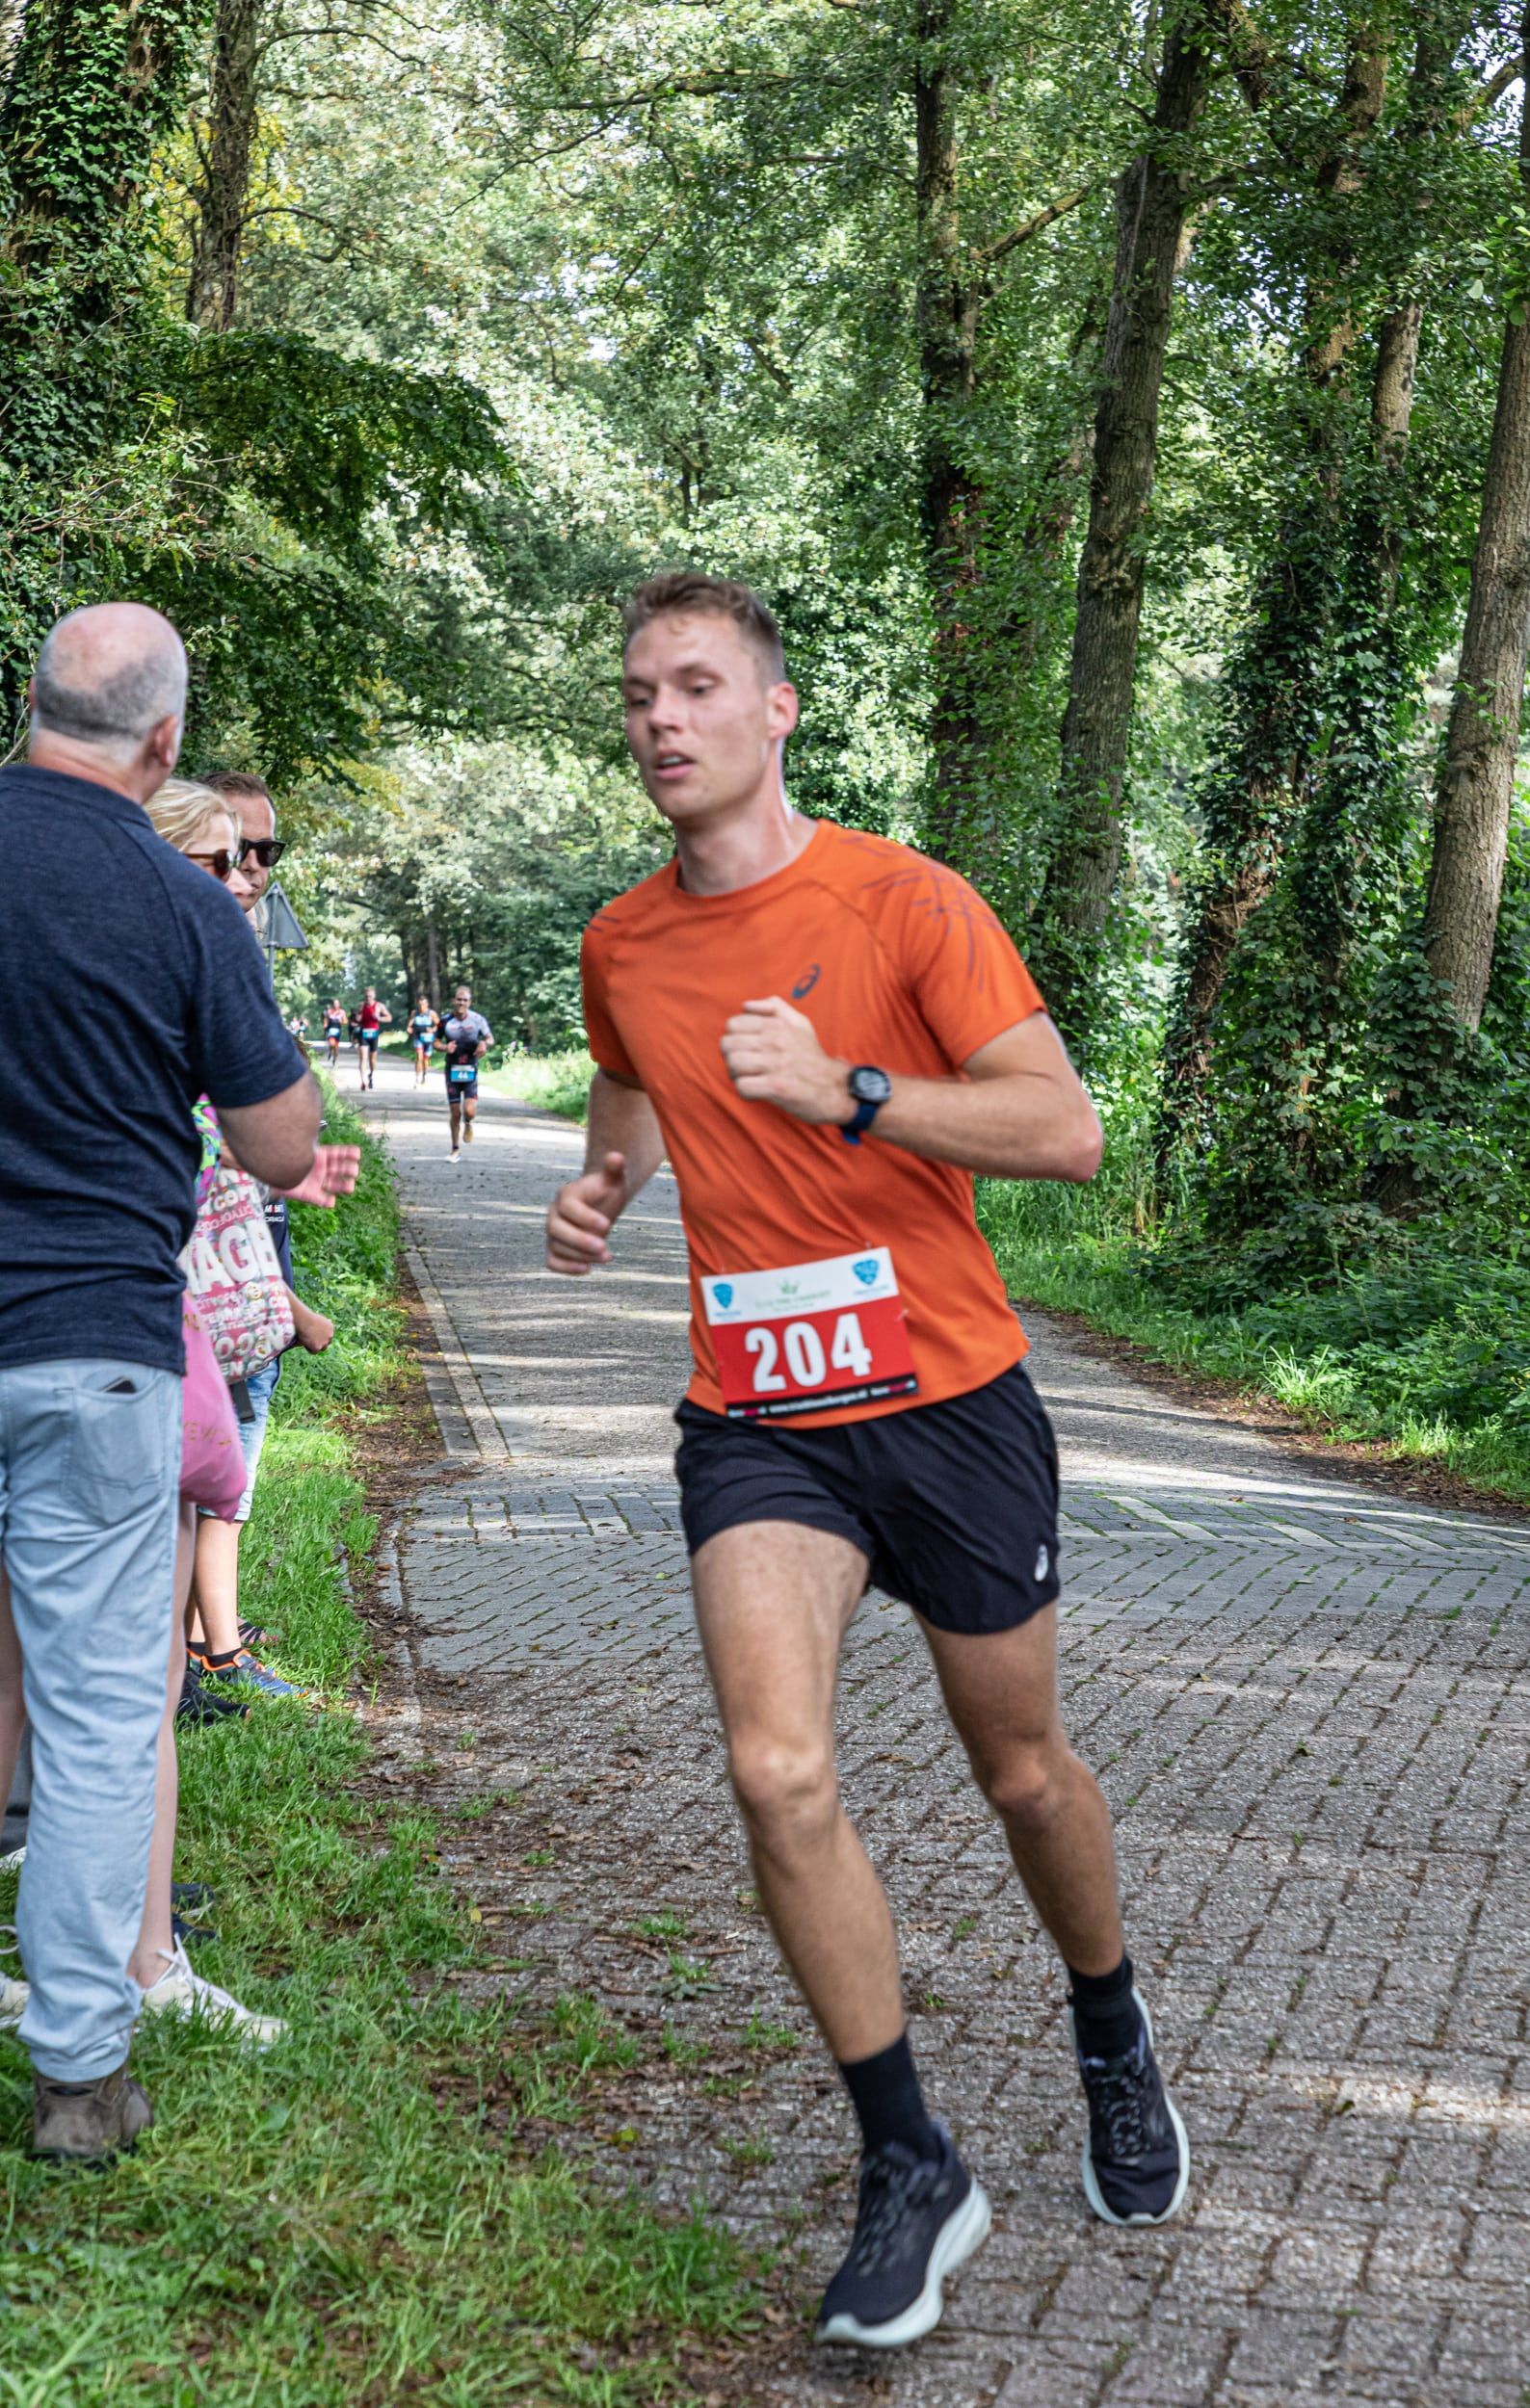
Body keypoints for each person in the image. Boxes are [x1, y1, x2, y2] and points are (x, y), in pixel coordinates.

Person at [545, 573, 1189, 2349]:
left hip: (949, 1403)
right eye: (635, 695)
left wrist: (850, 1090)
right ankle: (909, 2159)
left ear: (776, 712)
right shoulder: (621, 940)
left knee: (1025, 1777)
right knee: (774, 1771)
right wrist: (609, 1183)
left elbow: (1062, 1127)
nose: (659, 720)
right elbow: (629, 1073)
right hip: (757, 1418)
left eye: (694, 687)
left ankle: (1108, 2023)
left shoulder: (905, 899)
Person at [0, 603, 318, 2159]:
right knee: (101, 1716)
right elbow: (274, 1140)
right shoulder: (184, 904)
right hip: (94, 1354)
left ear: (32, 699)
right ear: (166, 741)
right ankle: (77, 2076)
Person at [436, 985, 491, 1161]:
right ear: (454, 1001)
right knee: (455, 1112)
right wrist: (445, 1047)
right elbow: (435, 1042)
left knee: (468, 1111)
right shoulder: (445, 1021)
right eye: (458, 999)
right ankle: (455, 1148)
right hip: (451, 1069)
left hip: (470, 1069)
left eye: (465, 1000)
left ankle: (468, 1123)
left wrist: (484, 1044)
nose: (461, 1003)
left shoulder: (477, 1020)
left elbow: (490, 1037)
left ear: (470, 1002)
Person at [355, 986, 391, 1088]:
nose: (368, 998)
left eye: (370, 996)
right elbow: (357, 1018)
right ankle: (363, 1082)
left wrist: (379, 1018)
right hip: (363, 1033)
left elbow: (389, 1018)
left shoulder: (379, 1006)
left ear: (374, 996)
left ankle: (371, 1075)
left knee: (372, 1060)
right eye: (366, 996)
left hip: (374, 1034)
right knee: (363, 1058)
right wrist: (358, 1018)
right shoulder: (361, 1006)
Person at [408, 994, 438, 1086]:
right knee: (419, 1057)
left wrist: (432, 1030)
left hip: (428, 1039)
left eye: (423, 1004)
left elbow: (439, 1025)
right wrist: (409, 1029)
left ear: (427, 1004)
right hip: (418, 1038)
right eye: (420, 1004)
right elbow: (409, 1025)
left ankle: (425, 1075)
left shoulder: (431, 1013)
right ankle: (417, 1078)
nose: (421, 1007)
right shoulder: (414, 1013)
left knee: (425, 1059)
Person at [323, 1000, 347, 1067]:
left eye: (337, 1004)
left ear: (339, 1004)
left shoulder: (342, 1012)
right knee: (331, 1043)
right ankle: (330, 1051)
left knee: (336, 1048)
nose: (335, 1005)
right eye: (334, 1004)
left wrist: (341, 1021)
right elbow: (326, 1019)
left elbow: (345, 1021)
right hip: (331, 1030)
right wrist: (325, 1024)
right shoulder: (329, 1011)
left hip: (338, 1030)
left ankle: (334, 1060)